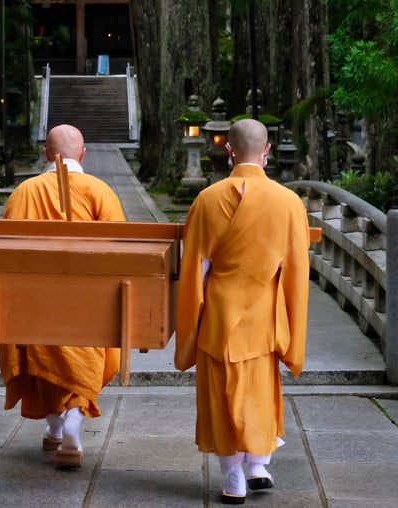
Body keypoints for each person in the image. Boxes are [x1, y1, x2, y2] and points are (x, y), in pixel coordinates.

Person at [174, 118, 310, 505]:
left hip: (219, 313)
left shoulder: (207, 199)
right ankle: (259, 464)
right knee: (259, 391)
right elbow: (296, 276)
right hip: (264, 315)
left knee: (222, 394)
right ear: (266, 151)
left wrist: (188, 324)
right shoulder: (288, 202)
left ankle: (234, 477)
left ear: (228, 150)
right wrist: (293, 330)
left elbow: (195, 269)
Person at [0, 124, 126, 468]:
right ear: (82, 154)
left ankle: (57, 427)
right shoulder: (99, 191)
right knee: (81, 354)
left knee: (43, 355)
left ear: (46, 155)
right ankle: (70, 422)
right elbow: (120, 253)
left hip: (34, 305)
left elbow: (6, 252)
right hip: (87, 305)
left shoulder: (24, 192)